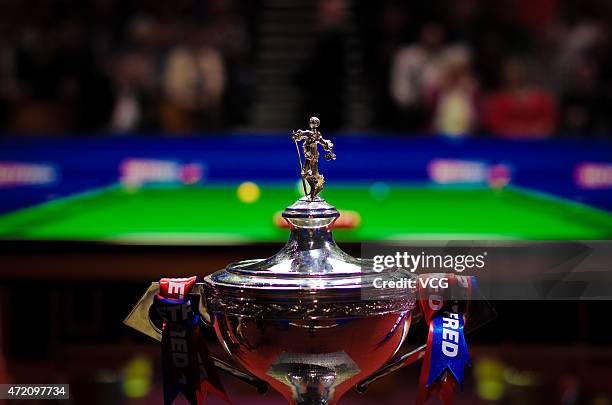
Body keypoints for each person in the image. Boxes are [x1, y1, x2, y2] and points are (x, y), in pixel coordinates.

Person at [161, 25, 226, 132]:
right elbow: (171, 86)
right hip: (181, 102)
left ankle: (210, 143)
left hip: (206, 102)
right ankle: (177, 144)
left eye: (199, 37)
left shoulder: (213, 56)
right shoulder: (177, 55)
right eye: (193, 36)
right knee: (168, 110)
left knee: (217, 109)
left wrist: (204, 98)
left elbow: (217, 86)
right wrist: (188, 100)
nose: (196, 40)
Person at [483, 58, 558, 138]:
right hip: (507, 145)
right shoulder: (497, 100)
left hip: (539, 144)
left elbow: (550, 122)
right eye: (511, 71)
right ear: (504, 74)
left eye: (517, 71)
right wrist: (519, 132)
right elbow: (495, 125)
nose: (515, 75)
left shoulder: (542, 98)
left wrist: (535, 131)